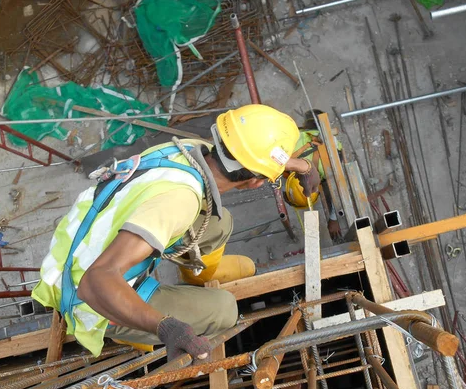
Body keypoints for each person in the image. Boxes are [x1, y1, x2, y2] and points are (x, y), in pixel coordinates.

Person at [32, 104, 320, 360]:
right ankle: (125, 329)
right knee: (224, 310)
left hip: (80, 240)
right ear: (256, 183)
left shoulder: (188, 148)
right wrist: (165, 327)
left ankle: (197, 275)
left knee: (218, 223)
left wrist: (301, 166)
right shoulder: (180, 202)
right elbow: (96, 281)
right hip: (86, 293)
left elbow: (247, 155)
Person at [283, 109, 343, 240]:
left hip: (321, 146)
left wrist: (333, 219)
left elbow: (337, 191)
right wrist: (333, 219)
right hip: (304, 137)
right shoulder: (292, 144)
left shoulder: (329, 165)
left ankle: (312, 119)